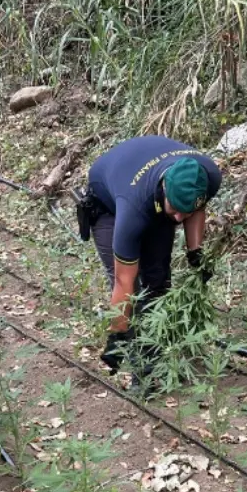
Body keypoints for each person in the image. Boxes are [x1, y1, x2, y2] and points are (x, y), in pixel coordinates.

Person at [77, 135, 222, 378]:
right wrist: (118, 335)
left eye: (184, 213)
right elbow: (125, 282)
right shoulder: (133, 208)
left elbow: (195, 208)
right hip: (109, 204)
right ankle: (137, 357)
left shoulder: (208, 176)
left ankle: (155, 352)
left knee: (158, 280)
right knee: (131, 287)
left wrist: (195, 253)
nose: (178, 219)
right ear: (164, 188)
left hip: (150, 192)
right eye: (175, 210)